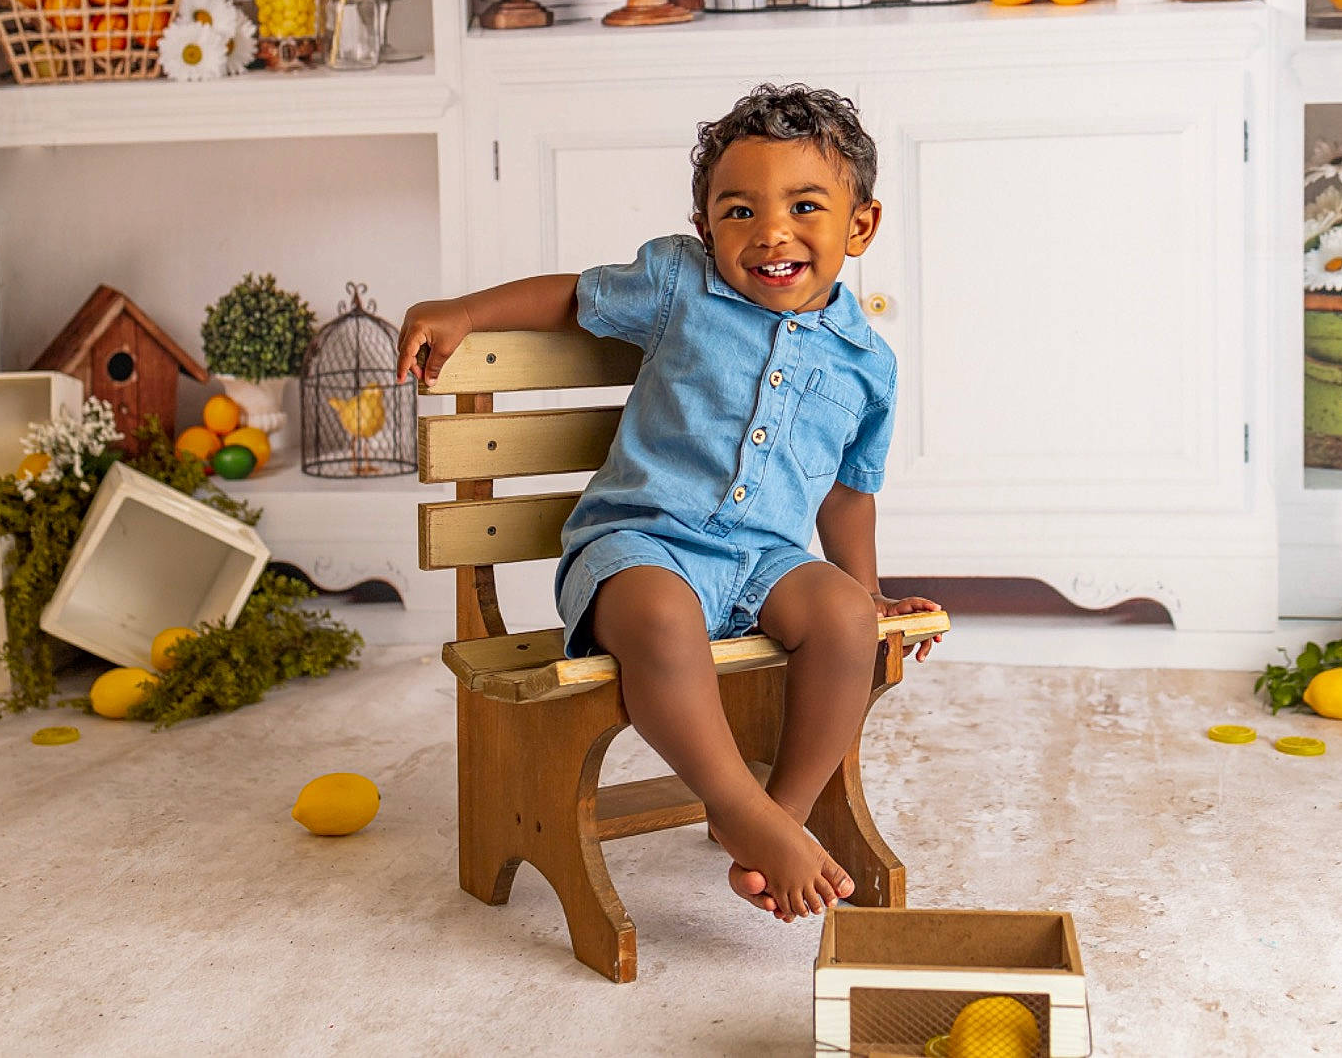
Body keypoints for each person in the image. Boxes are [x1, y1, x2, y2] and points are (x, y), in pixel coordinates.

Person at [396, 83, 940, 923]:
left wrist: (864, 589)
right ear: (704, 228)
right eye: (738, 211)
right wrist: (465, 311)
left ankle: (783, 811)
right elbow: (571, 297)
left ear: (859, 226)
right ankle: (744, 809)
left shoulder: (869, 363)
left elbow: (846, 492)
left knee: (841, 618)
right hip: (637, 547)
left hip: (763, 562)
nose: (771, 233)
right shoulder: (679, 285)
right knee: (659, 615)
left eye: (805, 205)